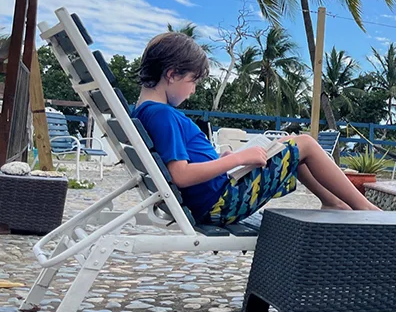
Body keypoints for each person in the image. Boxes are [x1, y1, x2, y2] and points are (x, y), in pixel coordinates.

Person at [132, 31, 379, 225]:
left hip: (214, 198)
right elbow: (181, 175)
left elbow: (182, 167)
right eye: (192, 81)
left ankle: (333, 201)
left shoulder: (145, 112)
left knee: (285, 145)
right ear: (173, 74)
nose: (194, 90)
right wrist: (237, 158)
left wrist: (222, 159)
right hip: (221, 204)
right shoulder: (162, 114)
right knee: (305, 143)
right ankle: (366, 208)